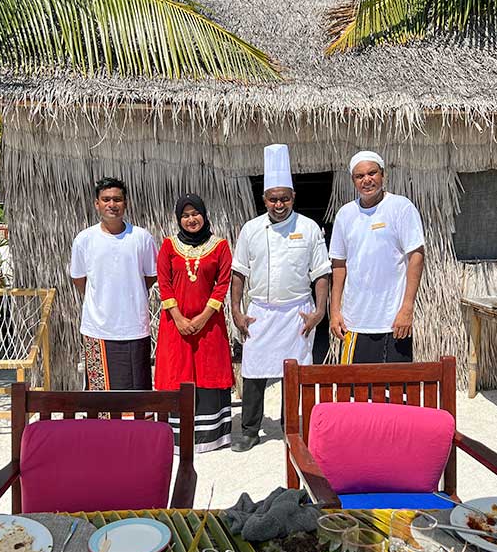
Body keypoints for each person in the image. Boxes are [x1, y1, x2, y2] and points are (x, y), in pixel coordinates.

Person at [231, 144, 332, 453]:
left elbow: (322, 274)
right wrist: (236, 311)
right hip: (259, 310)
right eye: (273, 199)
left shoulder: (309, 228)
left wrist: (319, 312)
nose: (279, 204)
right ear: (264, 200)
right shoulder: (250, 230)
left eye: (284, 198)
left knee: (294, 372)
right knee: (253, 373)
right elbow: (238, 274)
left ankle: (291, 427)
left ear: (293, 198)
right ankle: (249, 430)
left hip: (297, 312)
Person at [154, 194, 235, 452]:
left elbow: (223, 284)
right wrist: (178, 317)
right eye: (185, 215)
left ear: (204, 214)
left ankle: (212, 437)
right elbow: (163, 283)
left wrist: (203, 317)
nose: (191, 219)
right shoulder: (168, 246)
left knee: (209, 370)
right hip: (174, 324)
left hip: (209, 325)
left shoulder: (220, 246)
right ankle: (177, 437)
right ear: (179, 219)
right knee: (177, 371)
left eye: (195, 214)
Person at [329, 150, 426, 364]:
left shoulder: (401, 208)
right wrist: (335, 311)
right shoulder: (345, 214)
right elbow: (338, 264)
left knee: (395, 391)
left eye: (372, 173)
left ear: (383, 174)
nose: (367, 180)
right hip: (355, 321)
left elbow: (416, 256)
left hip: (394, 320)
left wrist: (407, 308)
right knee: (354, 391)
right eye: (359, 176)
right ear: (353, 180)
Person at [70, 177, 157, 390]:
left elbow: (150, 275)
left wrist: (131, 293)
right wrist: (100, 299)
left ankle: (135, 426)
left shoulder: (141, 237)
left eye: (117, 199)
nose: (112, 204)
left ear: (125, 203)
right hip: (97, 328)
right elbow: (79, 278)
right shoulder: (84, 239)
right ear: (97, 203)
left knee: (137, 391)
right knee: (101, 395)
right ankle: (101, 426)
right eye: (106, 199)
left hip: (134, 326)